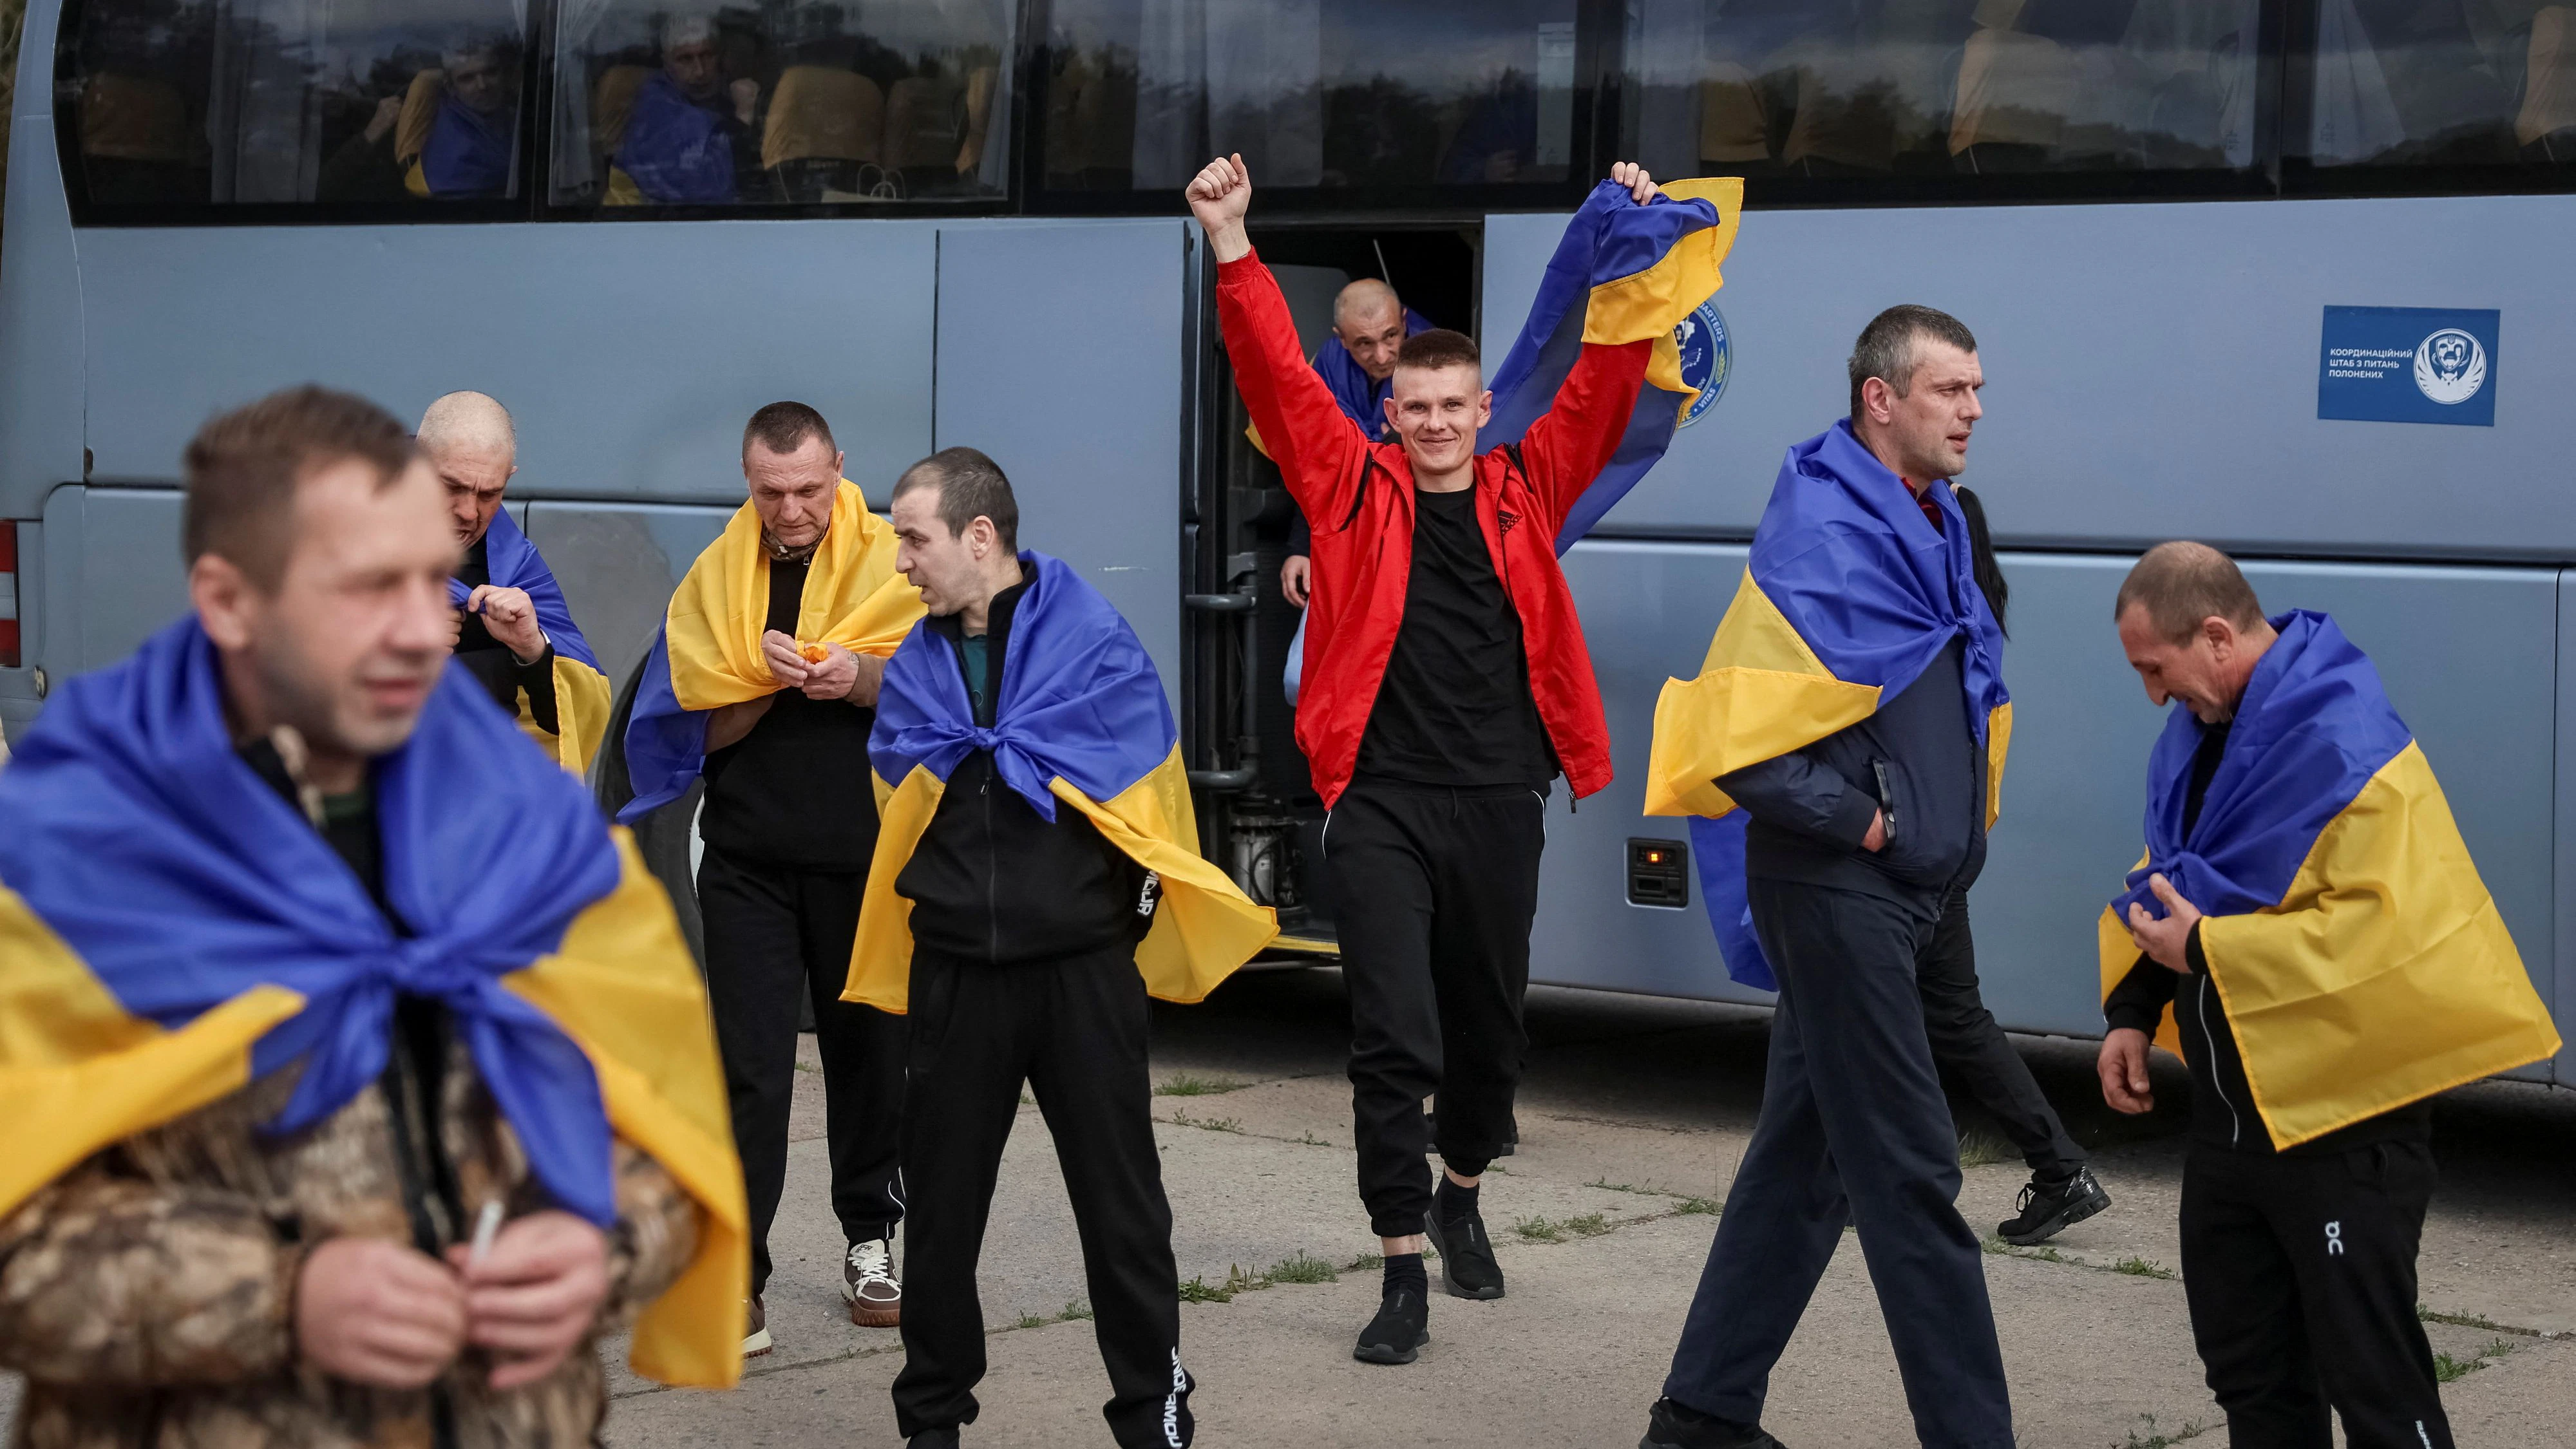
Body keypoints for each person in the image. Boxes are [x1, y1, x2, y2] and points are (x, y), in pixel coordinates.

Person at [0, 385, 748, 1444]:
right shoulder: (83, 855)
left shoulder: (527, 831)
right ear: (228, 601)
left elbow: (654, 1120)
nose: (418, 627)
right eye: (365, 587)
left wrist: (601, 1241)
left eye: (431, 581)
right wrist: (282, 1296)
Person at [1192, 151, 1720, 1367]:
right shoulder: (1345, 487)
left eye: (1453, 407)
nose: (1432, 422)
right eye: (1414, 408)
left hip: (1497, 796)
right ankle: (1397, 1267)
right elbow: (1275, 370)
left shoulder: (1530, 486)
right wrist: (1231, 241)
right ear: (1392, 415)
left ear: (1484, 414)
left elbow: (1602, 372)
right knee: (1391, 1032)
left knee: (1487, 1034)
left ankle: (1464, 1187)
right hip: (1377, 800)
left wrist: (1629, 243)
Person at [844, 448, 1275, 1449]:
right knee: (943, 1223)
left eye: (913, 537)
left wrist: (1112, 923)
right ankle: (932, 1424)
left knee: (1123, 1214)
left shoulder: (1092, 641)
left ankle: (1152, 1416)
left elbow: (1150, 796)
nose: (899, 559)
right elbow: (899, 804)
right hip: (956, 976)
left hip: (1082, 976)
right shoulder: (915, 662)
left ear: (979, 535)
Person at [1640, 306, 2016, 1449]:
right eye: (1952, 389)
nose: (1973, 411)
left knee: (1803, 1170)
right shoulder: (1822, 531)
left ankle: (1700, 1418)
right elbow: (1747, 747)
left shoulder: (1934, 520)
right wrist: (1867, 826)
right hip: (1839, 893)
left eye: (1978, 388)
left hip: (1906, 898)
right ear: (1882, 399)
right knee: (1912, 1177)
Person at [2098, 542, 2559, 1449]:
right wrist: (2132, 1009)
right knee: (2253, 1384)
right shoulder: (2199, 735)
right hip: (2231, 1132)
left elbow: (2382, 937)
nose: (2153, 694)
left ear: (2219, 636)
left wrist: (2206, 945)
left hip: (2342, 1135)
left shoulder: (2346, 739)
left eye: (2157, 668)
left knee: (2378, 1389)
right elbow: (2182, 879)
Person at [618, 402, 925, 1357]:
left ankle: (870, 1240)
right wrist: (761, 682)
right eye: (770, 492)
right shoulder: (719, 576)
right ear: (746, 481)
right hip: (747, 859)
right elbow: (686, 732)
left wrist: (854, 678)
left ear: (840, 467)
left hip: (865, 859)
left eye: (808, 489)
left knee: (867, 1057)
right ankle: (737, 1272)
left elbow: (944, 695)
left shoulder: (895, 561)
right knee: (747, 1068)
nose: (791, 511)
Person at [421, 390, 614, 775]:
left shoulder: (513, 564)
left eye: (489, 494)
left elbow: (567, 721)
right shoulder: (338, 535)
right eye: (453, 487)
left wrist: (532, 650)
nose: (469, 512)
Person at [1278, 278, 1432, 609]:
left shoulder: (1435, 357)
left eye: (1391, 336)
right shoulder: (1328, 365)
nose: (1382, 355)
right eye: (1364, 343)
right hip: (1347, 526)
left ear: (1404, 319)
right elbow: (1319, 457)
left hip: (1417, 530)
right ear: (1342, 340)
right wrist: (1301, 547)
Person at [616, 14, 760, 204]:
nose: (700, 70)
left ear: (720, 56)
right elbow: (709, 189)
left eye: (707, 55)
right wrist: (743, 116)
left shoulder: (725, 91)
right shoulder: (657, 111)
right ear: (666, 62)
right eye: (685, 59)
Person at [420, 41, 516, 198]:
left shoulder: (502, 113)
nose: (482, 85)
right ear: (450, 88)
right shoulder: (457, 154)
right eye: (467, 79)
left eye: (491, 72)